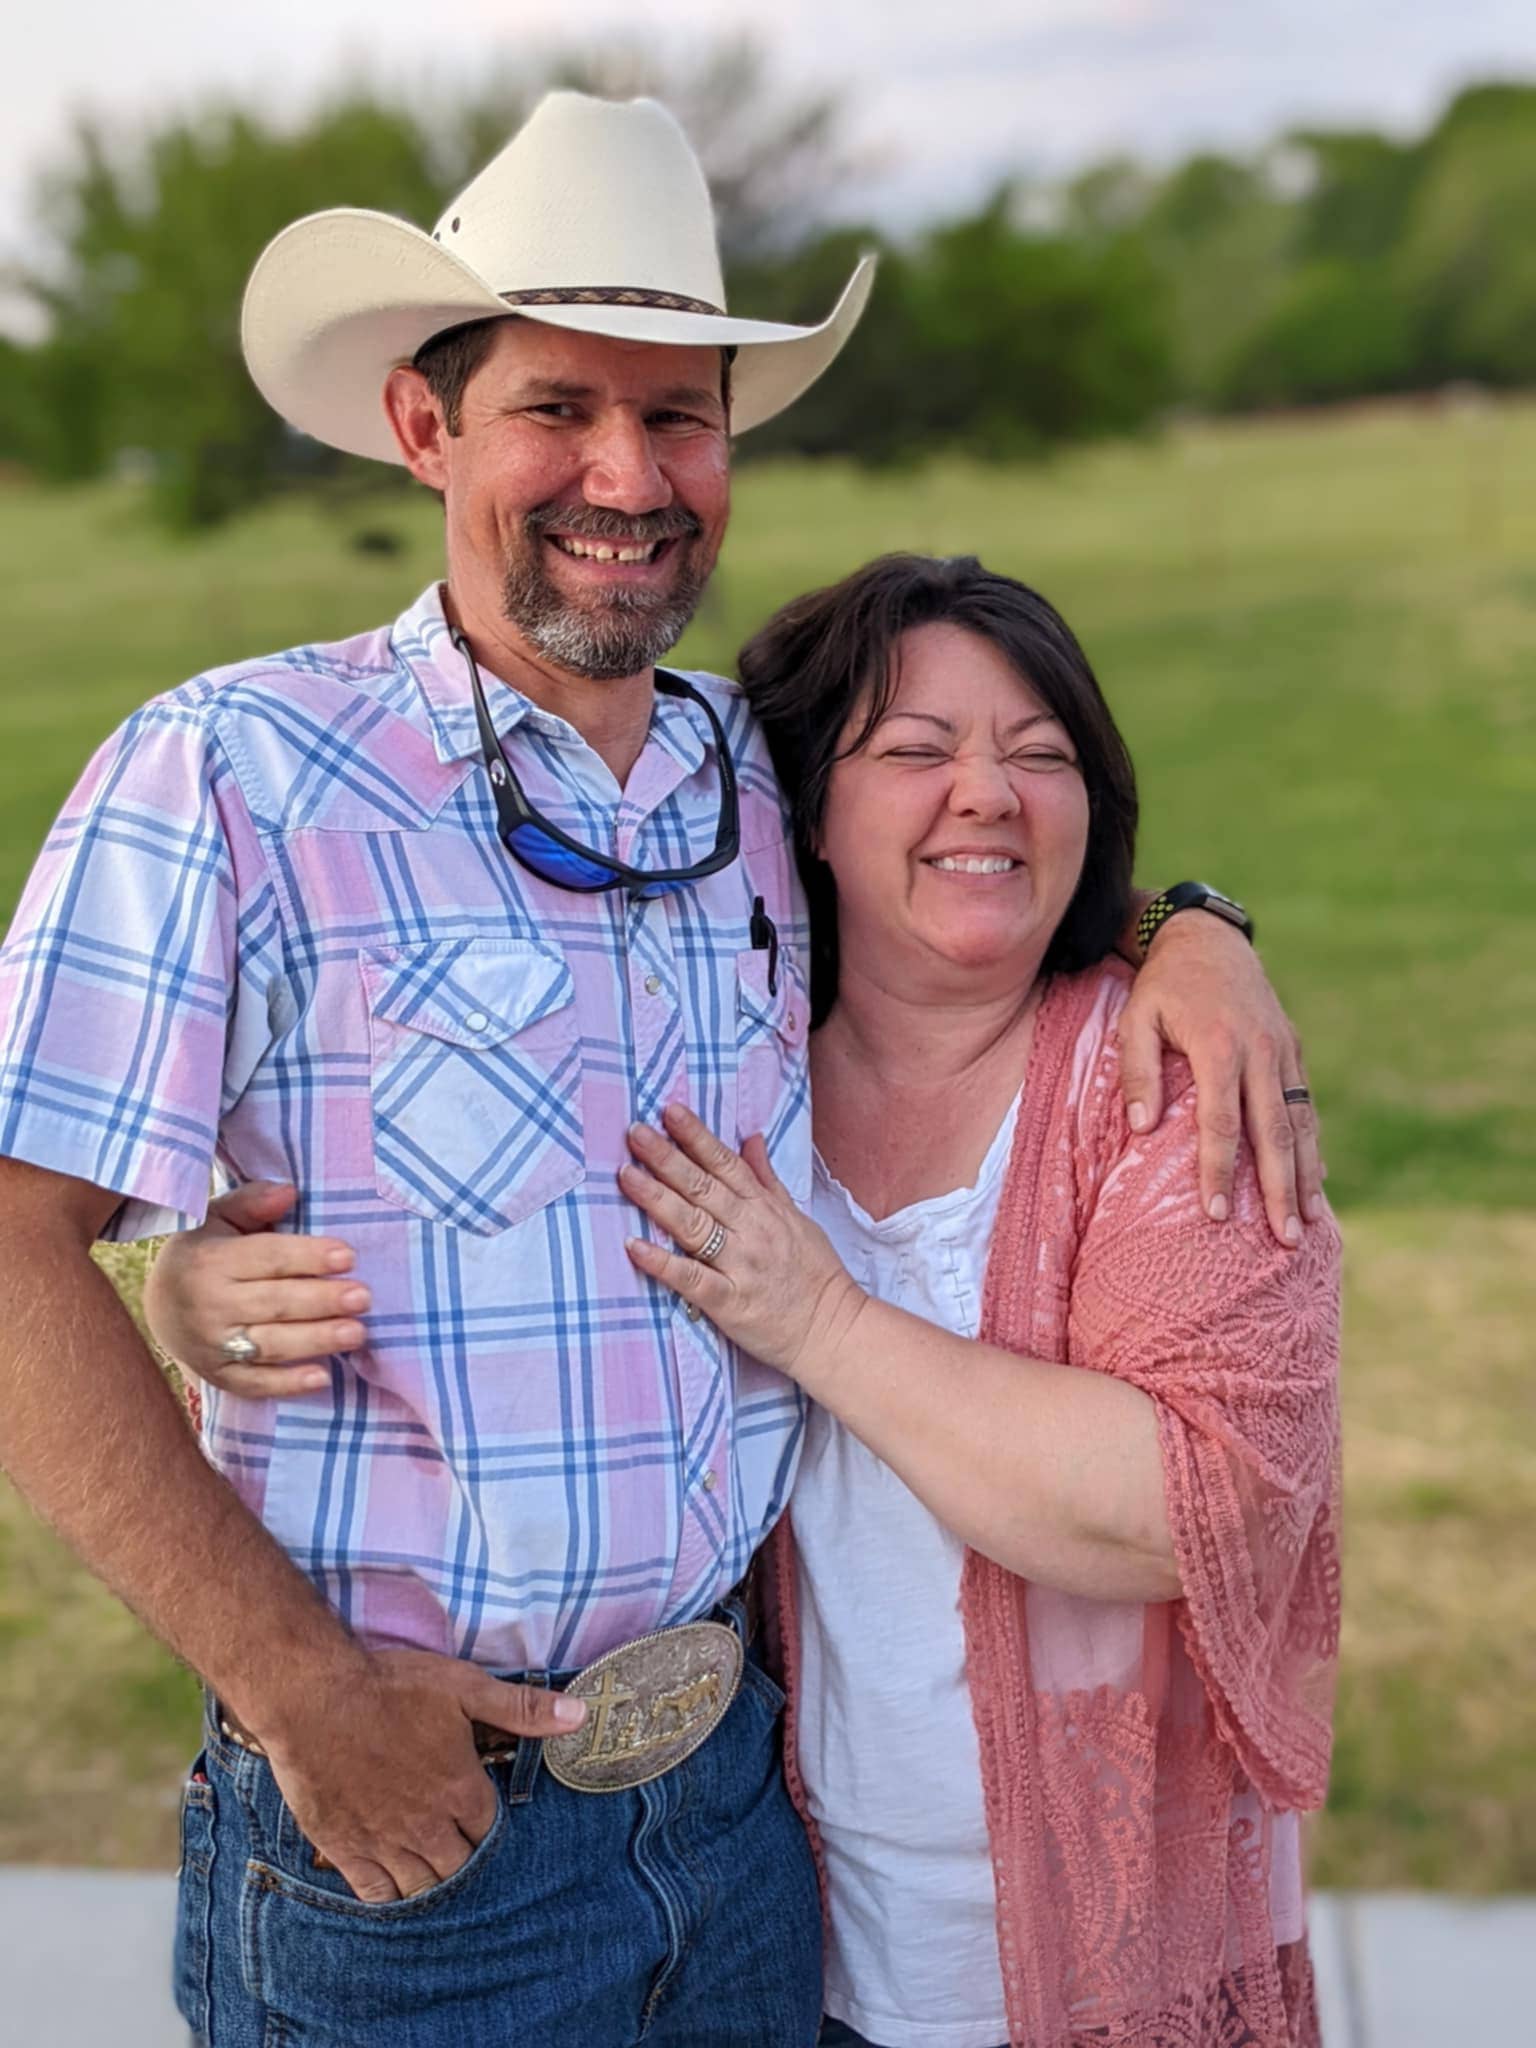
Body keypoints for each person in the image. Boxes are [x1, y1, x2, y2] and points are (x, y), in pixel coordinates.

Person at [0, 88, 1322, 2048]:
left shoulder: (752, 773)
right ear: (426, 425)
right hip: (419, 1840)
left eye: (680, 415)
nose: (628, 474)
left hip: (739, 1814)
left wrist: (1194, 924)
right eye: (558, 407)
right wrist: (295, 1688)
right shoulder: (231, 777)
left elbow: (985, 842)